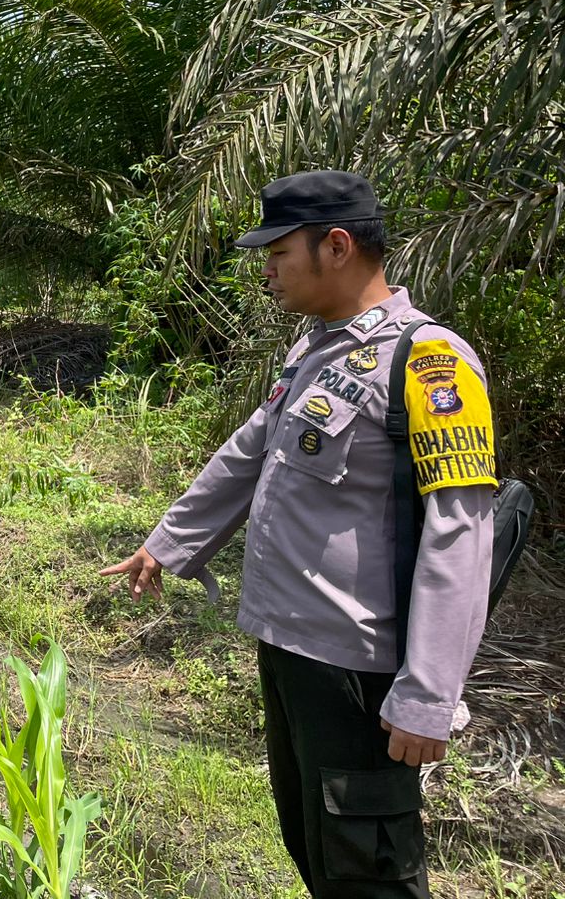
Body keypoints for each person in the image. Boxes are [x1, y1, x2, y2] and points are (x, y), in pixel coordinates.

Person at [101, 170, 497, 899]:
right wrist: (169, 542)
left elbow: (460, 534)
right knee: (314, 847)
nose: (267, 270)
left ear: (336, 246)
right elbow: (251, 452)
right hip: (291, 652)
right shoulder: (317, 350)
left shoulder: (430, 363)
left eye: (279, 253)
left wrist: (427, 697)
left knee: (367, 865)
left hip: (358, 670)